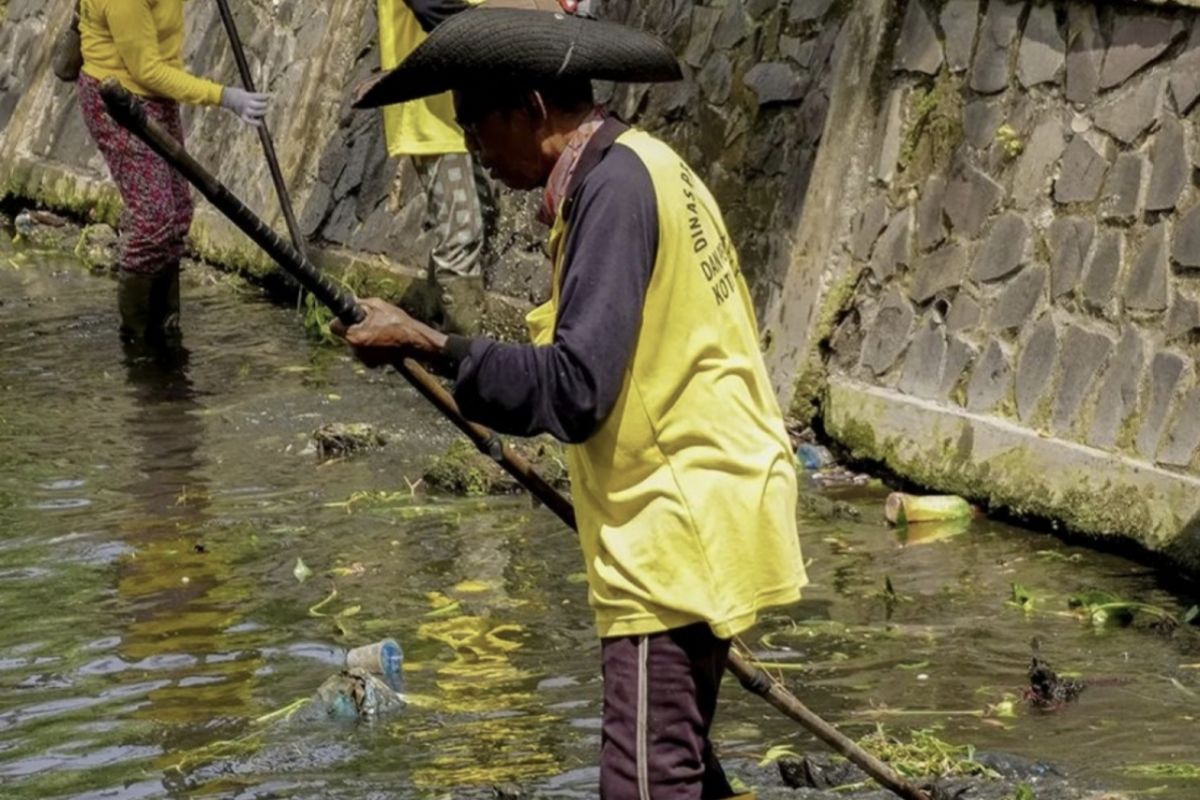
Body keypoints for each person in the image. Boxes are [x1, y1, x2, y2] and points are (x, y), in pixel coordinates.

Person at [339, 8, 807, 799]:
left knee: (646, 782)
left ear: (528, 108)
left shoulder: (617, 194)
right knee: (679, 757)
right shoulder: (638, 166)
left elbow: (579, 387)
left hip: (676, 531)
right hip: (705, 503)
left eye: (478, 126)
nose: (477, 152)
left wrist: (433, 345)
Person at [375, 0, 578, 334]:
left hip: (467, 111)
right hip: (433, 117)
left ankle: (430, 326)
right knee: (462, 231)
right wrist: (515, 23)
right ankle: (458, 354)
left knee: (473, 218)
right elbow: (433, 11)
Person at [77, 0, 269, 344]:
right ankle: (137, 342)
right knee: (154, 220)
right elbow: (146, 70)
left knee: (178, 213)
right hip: (118, 100)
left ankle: (166, 329)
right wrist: (223, 97)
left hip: (156, 96)